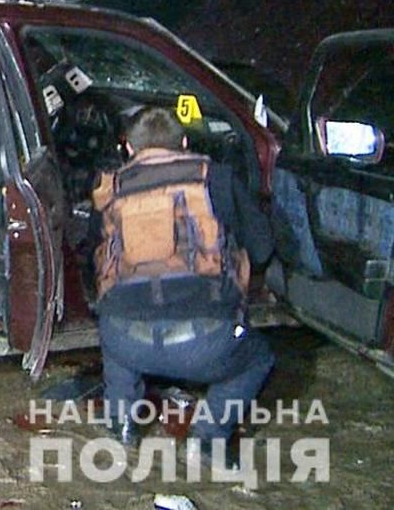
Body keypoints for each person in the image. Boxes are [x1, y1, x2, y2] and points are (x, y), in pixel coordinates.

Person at [91, 106, 275, 466]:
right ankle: (208, 440)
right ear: (185, 143)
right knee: (259, 358)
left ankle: (120, 425)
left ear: (128, 148)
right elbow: (263, 247)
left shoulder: (109, 189)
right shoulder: (216, 179)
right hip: (206, 344)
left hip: (126, 341)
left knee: (115, 334)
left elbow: (93, 263)